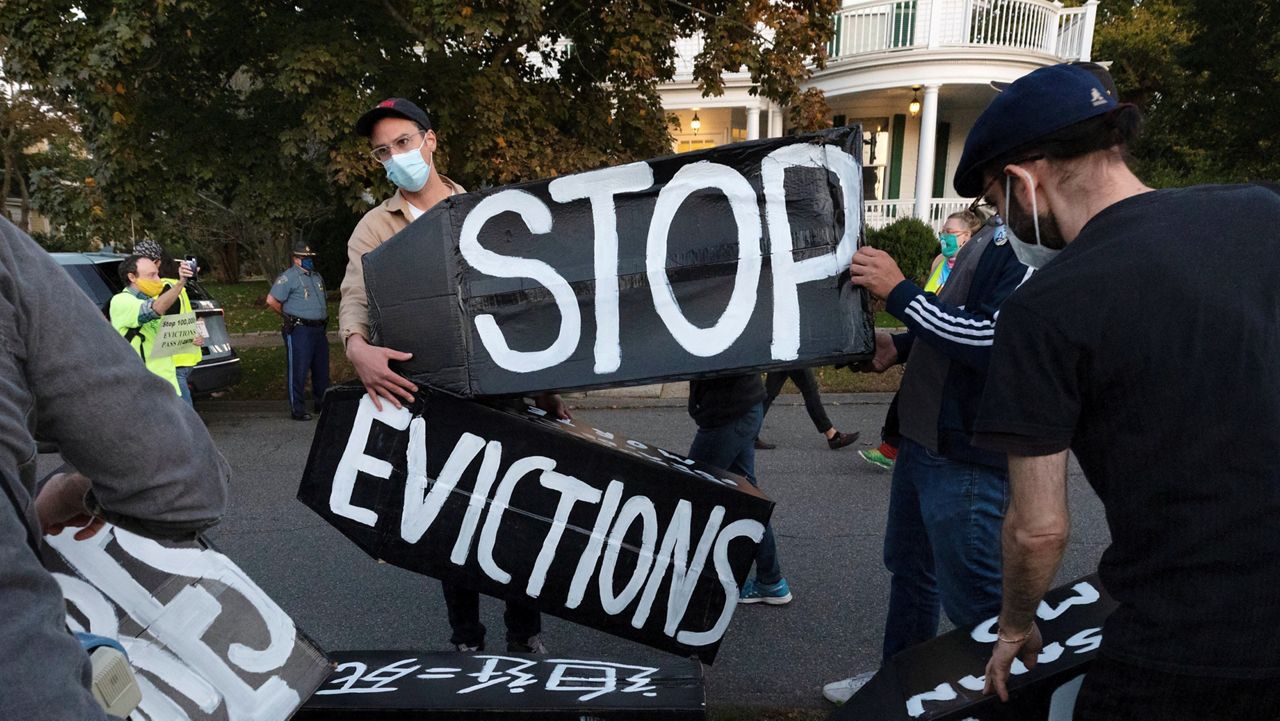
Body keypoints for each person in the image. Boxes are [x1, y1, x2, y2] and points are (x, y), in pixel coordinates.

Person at [955, 64, 1280, 720]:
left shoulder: (1044, 307)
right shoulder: (1262, 213)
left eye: (996, 203)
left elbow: (1038, 528)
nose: (1002, 222)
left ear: (1024, 180)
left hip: (1184, 644)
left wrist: (1014, 625)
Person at [341, 97, 562, 653]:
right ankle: (466, 636)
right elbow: (356, 298)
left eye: (404, 143)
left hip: (503, 393)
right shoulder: (374, 227)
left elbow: (525, 305)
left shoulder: (485, 212)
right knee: (452, 520)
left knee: (518, 514)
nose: (396, 157)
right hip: (431, 396)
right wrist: (355, 348)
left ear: (430, 140)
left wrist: (548, 387)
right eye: (383, 151)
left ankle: (524, 634)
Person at [0, 218, 230, 720]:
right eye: (150, 271)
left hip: (174, 379)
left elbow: (182, 327)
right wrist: (176, 287)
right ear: (131, 278)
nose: (158, 275)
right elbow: (182, 483)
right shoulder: (124, 301)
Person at [822, 191, 1029, 704]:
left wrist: (900, 292)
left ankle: (1014, 699)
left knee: (977, 597)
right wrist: (902, 345)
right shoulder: (994, 232)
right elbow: (960, 314)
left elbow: (994, 340)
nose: (984, 188)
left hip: (966, 453)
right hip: (923, 438)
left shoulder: (1033, 246)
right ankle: (898, 686)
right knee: (913, 572)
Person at [858, 210, 984, 471]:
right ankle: (894, 448)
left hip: (945, 350)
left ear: (967, 237)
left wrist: (897, 291)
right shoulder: (939, 261)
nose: (944, 238)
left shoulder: (976, 265)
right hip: (922, 334)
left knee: (908, 395)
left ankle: (891, 448)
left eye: (951, 233)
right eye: (943, 232)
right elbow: (929, 298)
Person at [687, 374, 791, 605]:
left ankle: (674, 576)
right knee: (747, 497)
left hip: (729, 416)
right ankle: (770, 580)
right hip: (744, 407)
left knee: (691, 492)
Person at [110, 254, 195, 397]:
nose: (158, 280)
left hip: (168, 386)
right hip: (145, 391)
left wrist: (190, 337)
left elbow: (160, 339)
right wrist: (180, 283)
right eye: (152, 275)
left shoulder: (152, 299)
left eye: (157, 274)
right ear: (132, 277)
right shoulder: (121, 301)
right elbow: (153, 310)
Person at [134, 241, 206, 407]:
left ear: (157, 262)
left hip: (173, 360)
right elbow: (195, 314)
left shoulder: (163, 287)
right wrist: (198, 334)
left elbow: (167, 323)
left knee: (182, 414)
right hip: (184, 358)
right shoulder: (174, 284)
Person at [267, 240, 330, 421]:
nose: (308, 260)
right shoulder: (289, 277)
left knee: (321, 369)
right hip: (300, 329)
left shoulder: (316, 276)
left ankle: (322, 403)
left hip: (318, 329)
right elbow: (272, 300)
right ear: (296, 259)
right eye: (304, 257)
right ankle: (298, 409)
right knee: (299, 369)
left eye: (309, 257)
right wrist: (289, 317)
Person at [756, 368, 859, 450]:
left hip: (782, 348)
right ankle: (831, 435)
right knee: (810, 390)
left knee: (769, 393)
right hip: (790, 349)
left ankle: (747, 434)